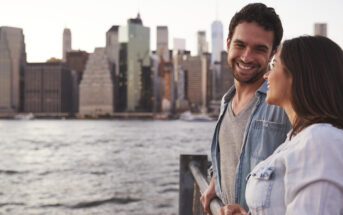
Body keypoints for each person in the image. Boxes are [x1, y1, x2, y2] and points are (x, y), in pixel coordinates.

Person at [219, 36, 343, 215]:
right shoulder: (296, 138)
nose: (266, 75)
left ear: (298, 74)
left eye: (274, 65)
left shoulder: (321, 141)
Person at [200, 3, 291, 214]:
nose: (246, 57)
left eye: (259, 49)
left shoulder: (284, 103)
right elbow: (231, 154)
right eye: (240, 45)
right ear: (228, 43)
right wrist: (216, 180)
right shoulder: (226, 101)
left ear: (273, 54)